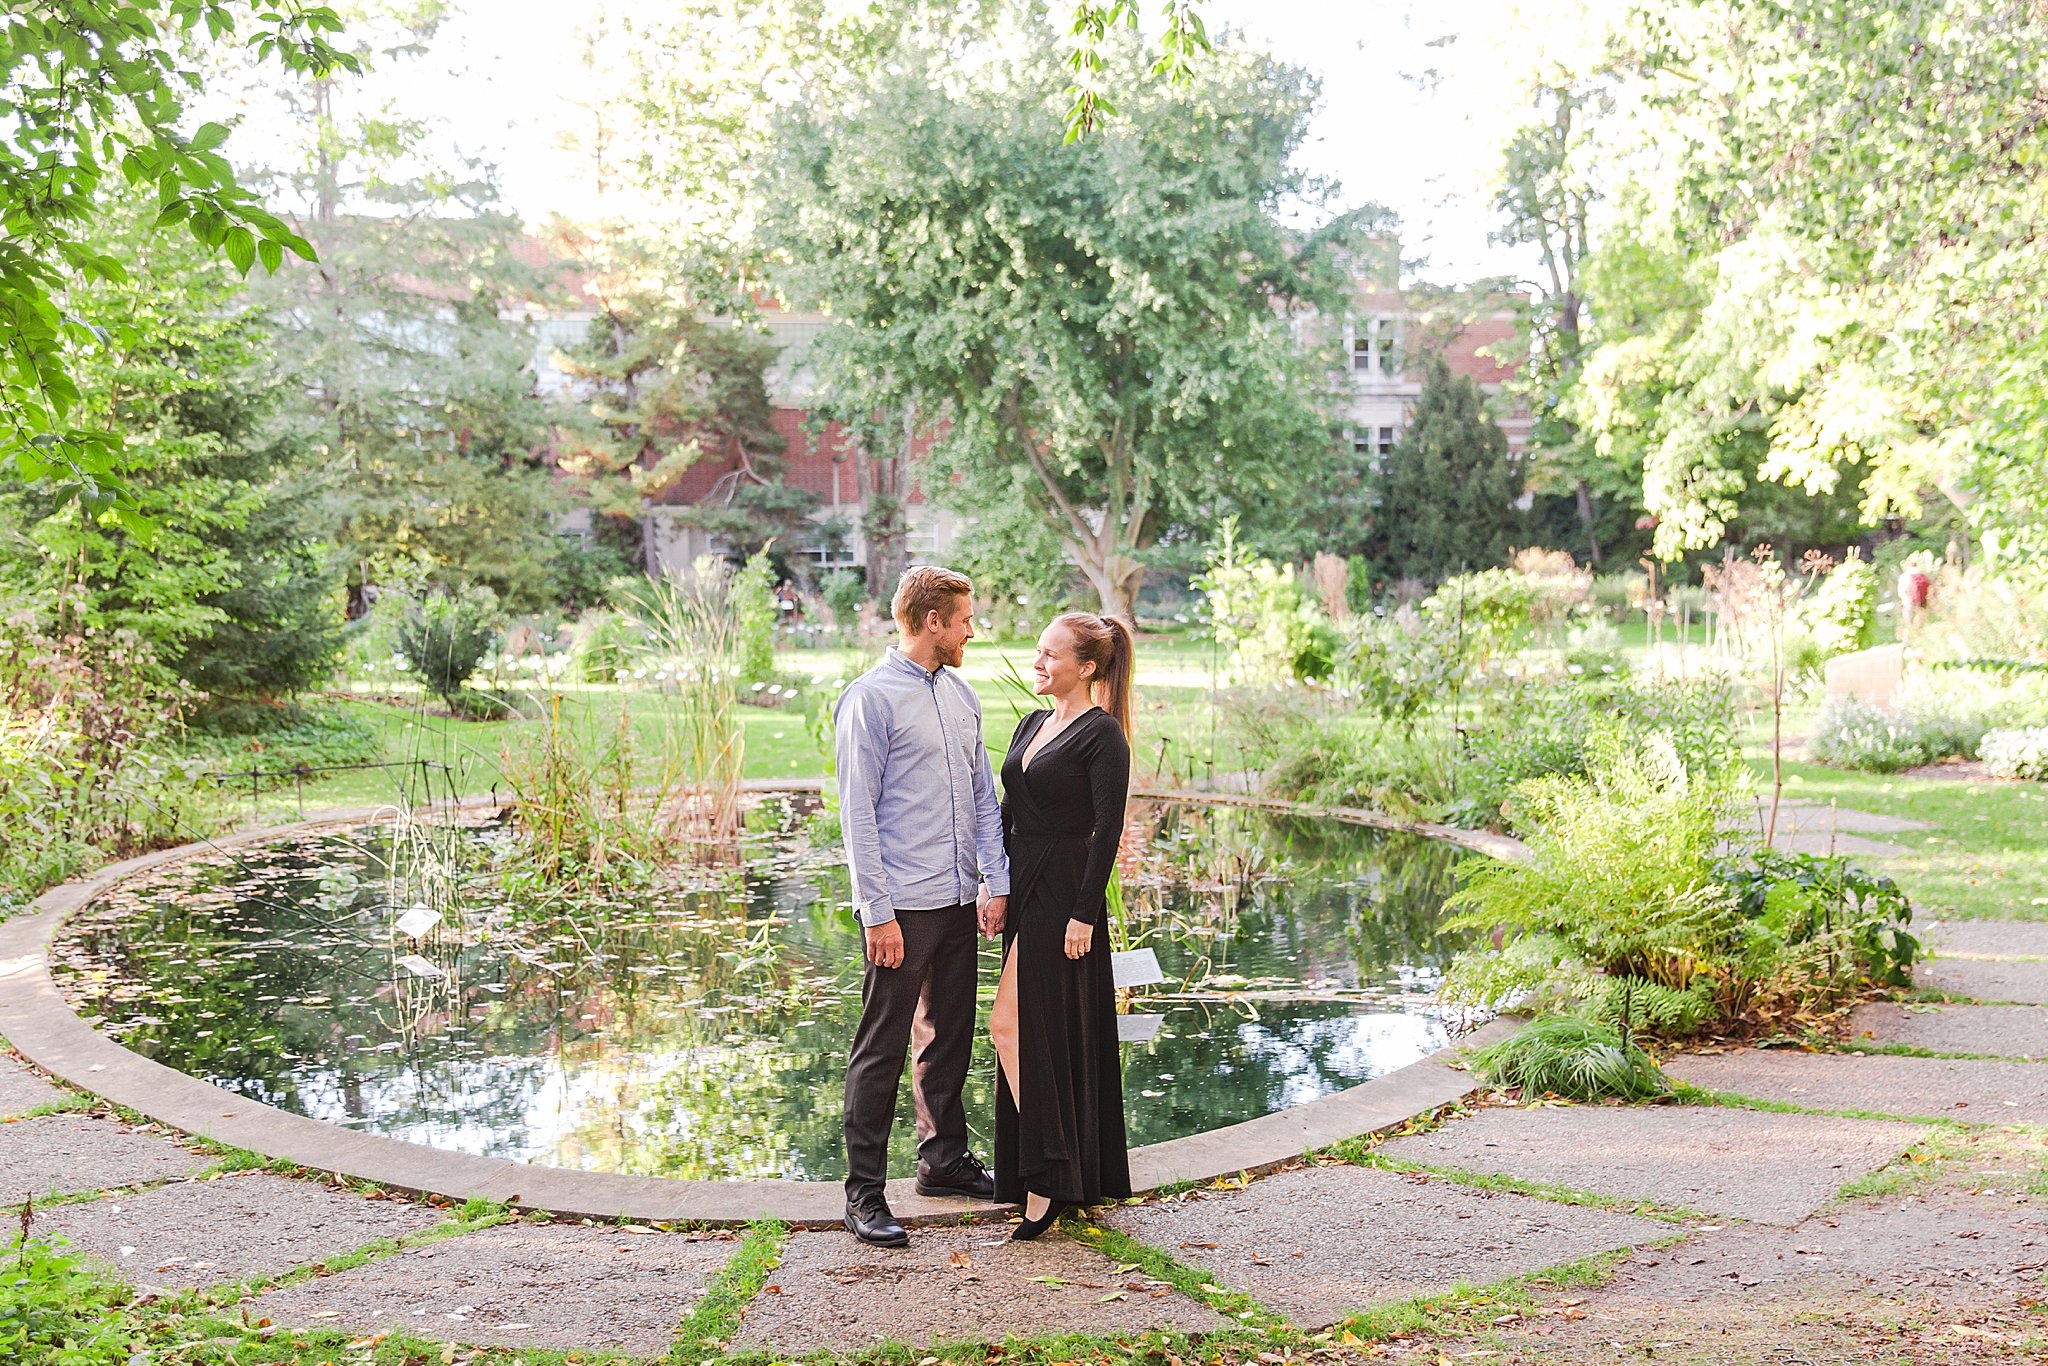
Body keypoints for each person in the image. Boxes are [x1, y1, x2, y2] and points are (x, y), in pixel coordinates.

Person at [834, 565, 1011, 1247]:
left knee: (947, 1040)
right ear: (933, 621)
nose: (971, 629)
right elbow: (858, 813)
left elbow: (982, 794)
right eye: (964, 618)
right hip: (900, 908)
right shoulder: (870, 700)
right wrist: (876, 910)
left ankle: (942, 1163)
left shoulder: (960, 695)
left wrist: (992, 879)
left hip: (959, 900)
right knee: (880, 1049)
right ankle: (863, 1196)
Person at [988, 611, 1134, 1239]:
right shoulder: (1032, 724)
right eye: (1039, 651)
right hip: (1022, 885)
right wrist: (993, 886)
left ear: (1087, 667)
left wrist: (1084, 913)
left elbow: (1108, 833)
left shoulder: (1104, 738)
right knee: (1027, 1028)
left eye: (1051, 655)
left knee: (1023, 1026)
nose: (1039, 662)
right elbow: (1007, 807)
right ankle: (1046, 1169)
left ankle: (1050, 1178)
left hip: (1064, 890)